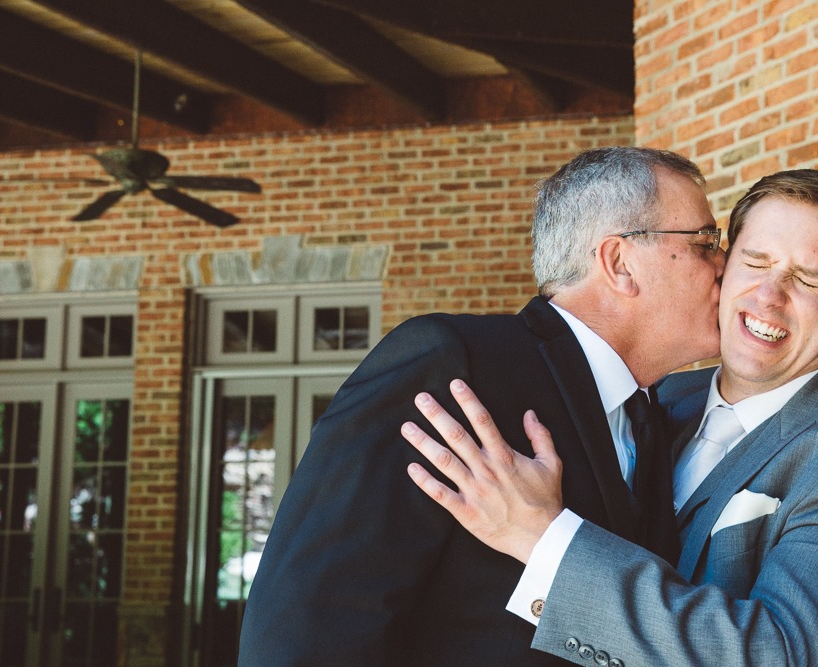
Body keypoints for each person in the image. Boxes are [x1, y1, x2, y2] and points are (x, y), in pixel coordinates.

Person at [402, 169, 818, 667]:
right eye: (754, 261)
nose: (768, 295)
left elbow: (782, 655)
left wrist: (544, 538)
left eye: (808, 280)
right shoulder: (653, 400)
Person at [237, 146, 727, 665]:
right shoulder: (453, 364)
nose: (726, 265)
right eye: (705, 243)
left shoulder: (651, 415)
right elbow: (307, 626)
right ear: (619, 262)